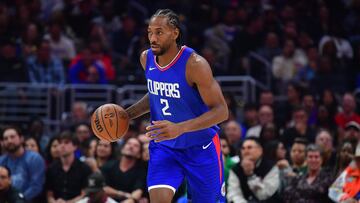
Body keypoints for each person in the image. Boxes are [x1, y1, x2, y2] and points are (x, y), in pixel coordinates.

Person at [124, 9, 228, 202]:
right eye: (149, 32)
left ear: (175, 33)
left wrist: (180, 128)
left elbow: (222, 111)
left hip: (201, 147)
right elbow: (156, 93)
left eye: (159, 32)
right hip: (165, 146)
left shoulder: (195, 64)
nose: (152, 38)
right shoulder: (146, 58)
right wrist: (127, 115)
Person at [0, 126, 45, 202]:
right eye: (6, 139)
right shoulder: (1, 160)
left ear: (21, 139)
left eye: (12, 137)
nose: (9, 141)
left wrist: (18, 200)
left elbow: (36, 187)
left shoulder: (34, 158)